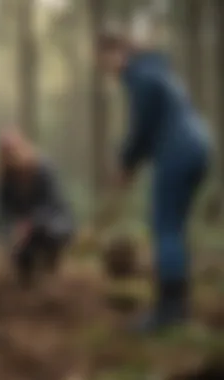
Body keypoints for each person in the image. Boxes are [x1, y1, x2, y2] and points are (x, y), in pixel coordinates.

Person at [96, 32, 212, 332]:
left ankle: (169, 311)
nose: (106, 68)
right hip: (197, 145)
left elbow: (142, 127)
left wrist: (126, 164)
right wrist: (130, 164)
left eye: (105, 59)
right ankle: (178, 304)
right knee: (174, 226)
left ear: (118, 51)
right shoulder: (155, 69)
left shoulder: (140, 75)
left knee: (165, 225)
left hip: (179, 150)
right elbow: (151, 126)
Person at [0, 128, 74, 286]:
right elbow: (0, 214)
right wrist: (8, 234)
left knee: (52, 232)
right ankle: (25, 276)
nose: (11, 157)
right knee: (20, 252)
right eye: (6, 153)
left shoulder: (44, 170)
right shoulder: (4, 179)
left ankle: (51, 265)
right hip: (22, 234)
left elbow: (53, 204)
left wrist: (31, 223)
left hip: (51, 224)